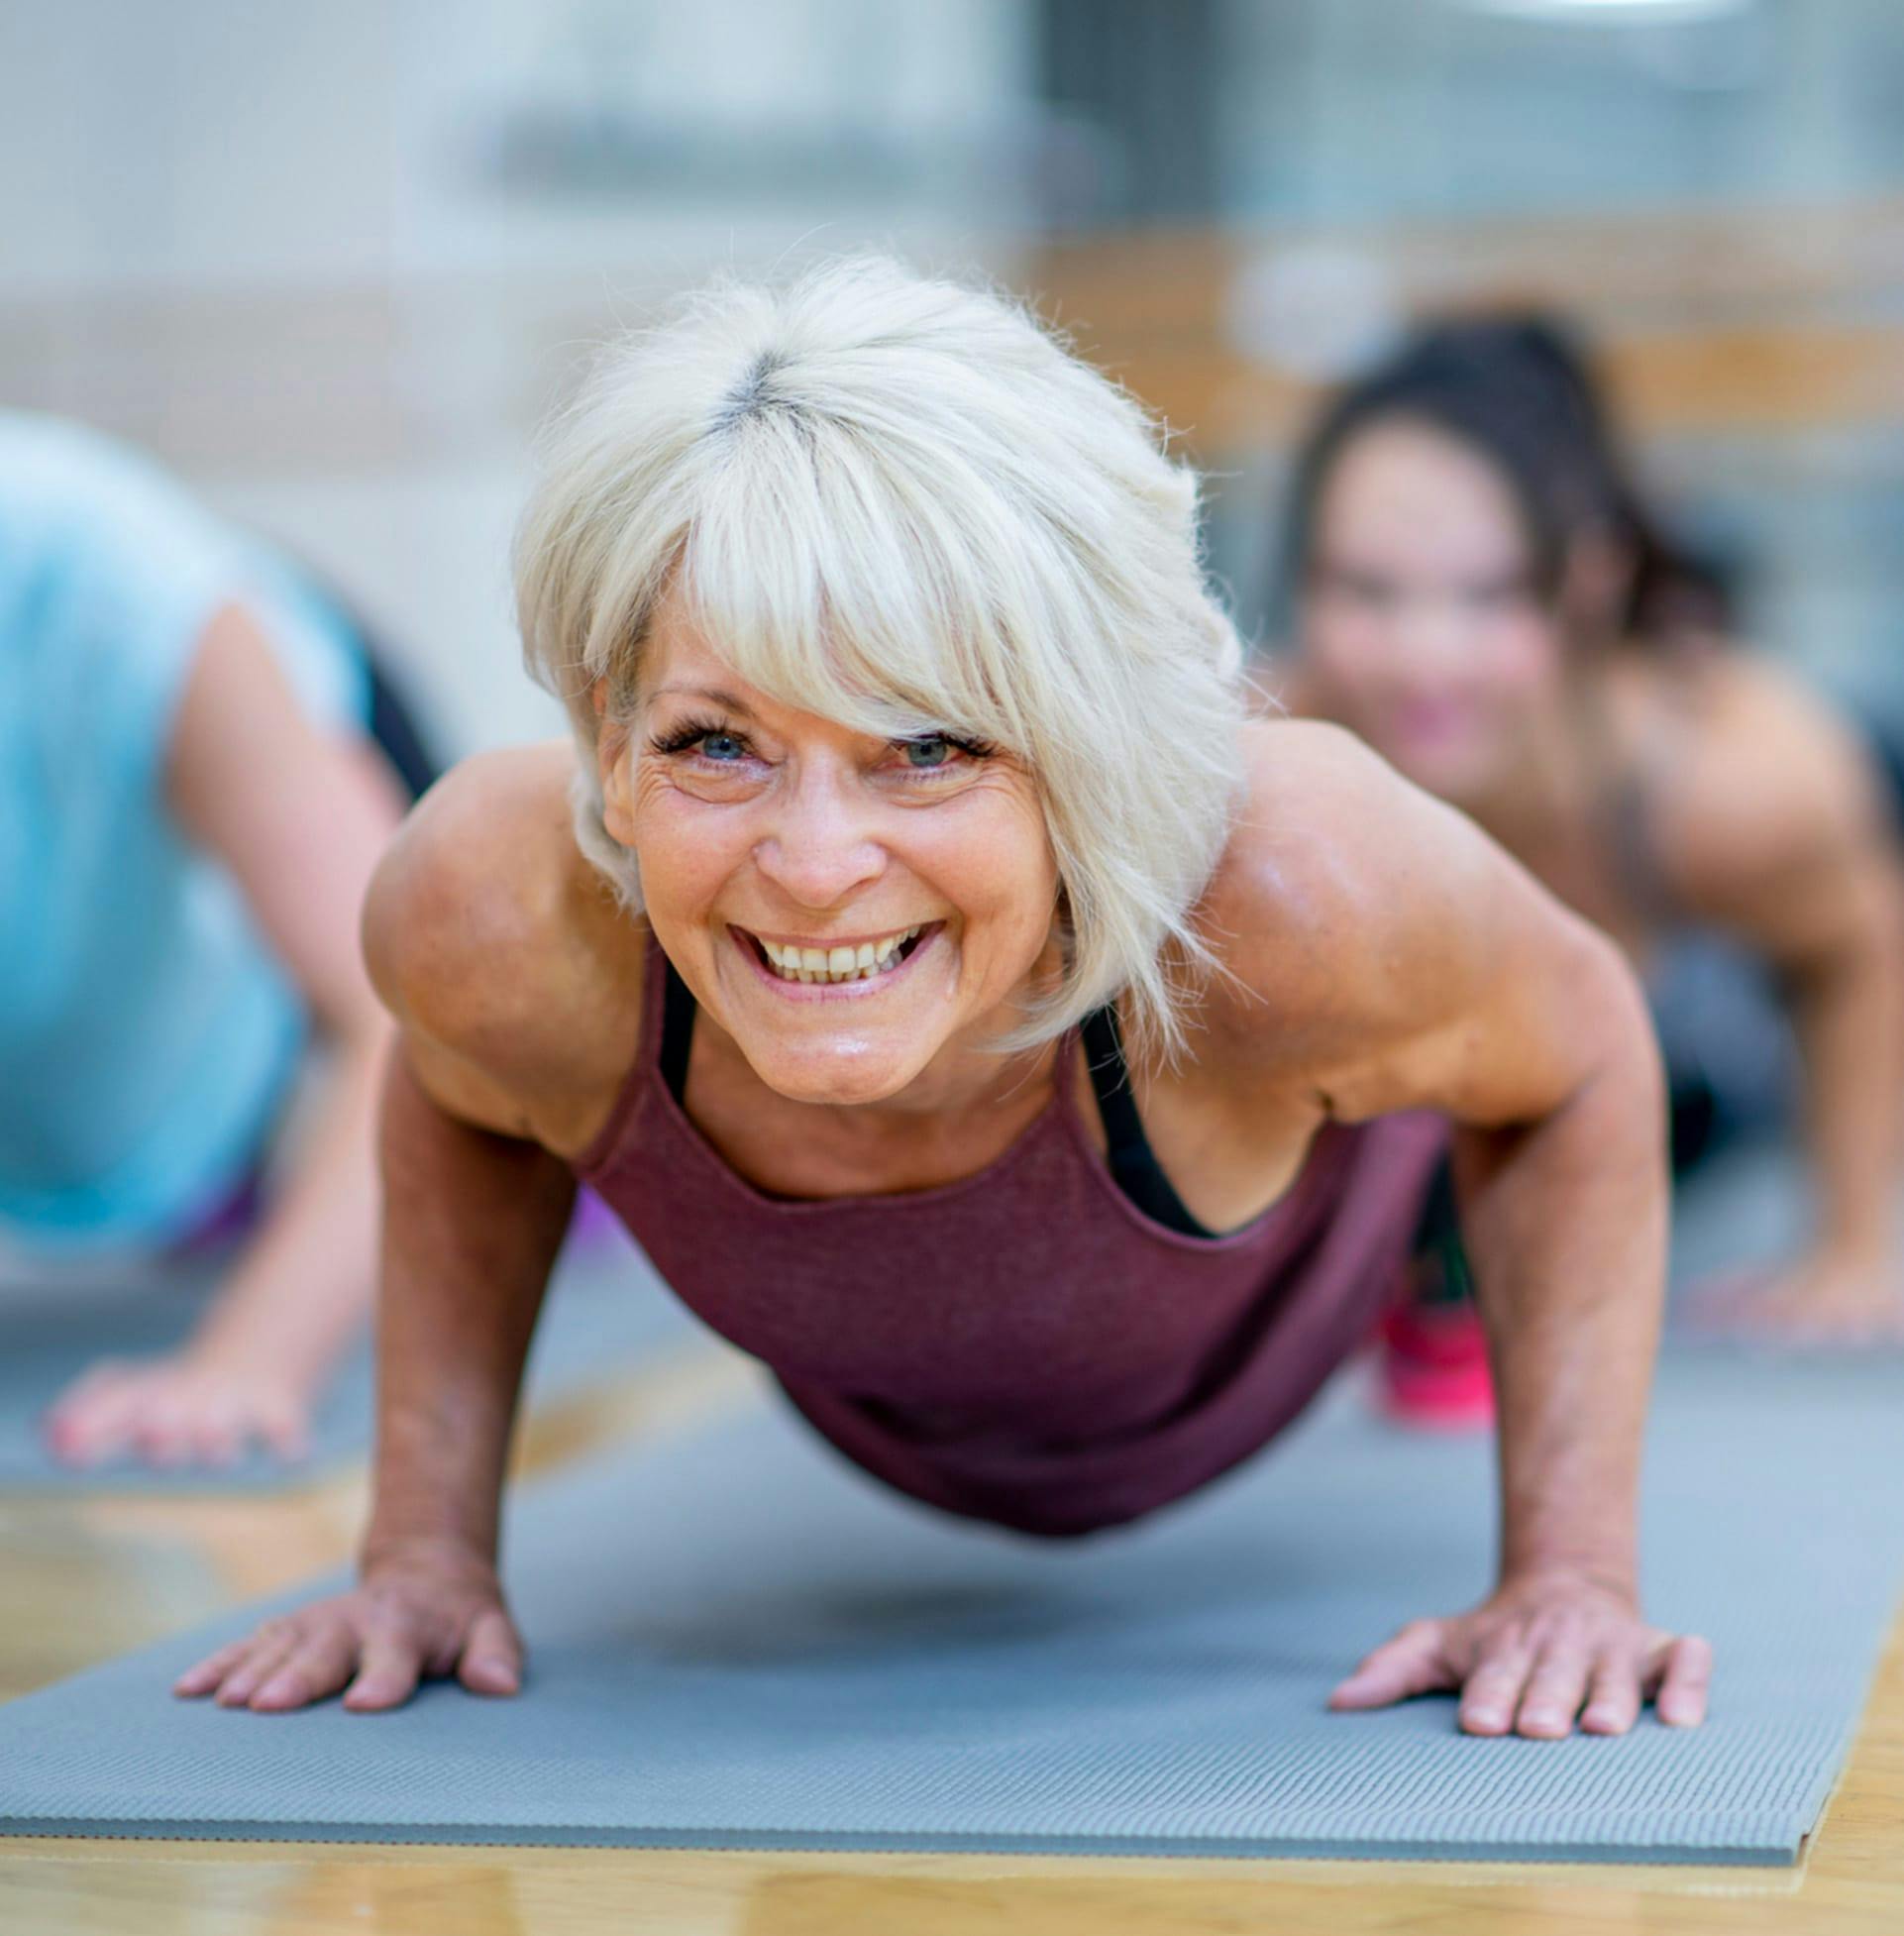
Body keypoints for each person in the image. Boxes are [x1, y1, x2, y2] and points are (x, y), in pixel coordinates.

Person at [176, 259, 1708, 1739]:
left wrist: (1569, 1574)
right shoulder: (494, 906)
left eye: (927, 746)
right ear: (608, 730)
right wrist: (423, 1551)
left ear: (1083, 745)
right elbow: (455, 1092)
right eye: (717, 742)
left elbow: (1577, 1058)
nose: (814, 863)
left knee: (1363, 958)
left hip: (1281, 1248)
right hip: (903, 1392)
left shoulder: (1298, 892)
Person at [1282, 317, 1904, 1346]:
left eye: (1488, 596)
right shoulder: (1273, 744)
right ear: (1304, 581)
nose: (1422, 657)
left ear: (1585, 584)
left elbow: (1856, 949)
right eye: (1366, 591)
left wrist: (1851, 1246)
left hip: (1783, 905)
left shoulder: (1726, 788)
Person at [0, 411, 432, 1467]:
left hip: (289, 841)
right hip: (86, 1047)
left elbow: (409, 1020)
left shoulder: (115, 581)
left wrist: (249, 1364)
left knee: (507, 1075)